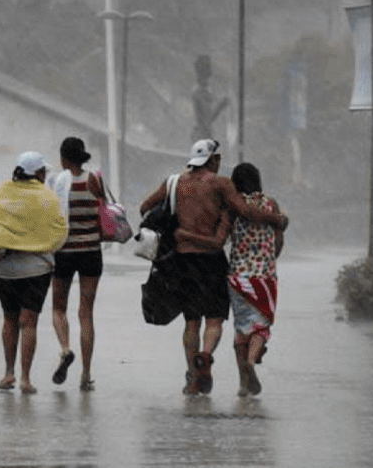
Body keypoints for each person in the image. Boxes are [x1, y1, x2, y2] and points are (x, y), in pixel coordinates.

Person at [139, 139, 288, 395]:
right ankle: (205, 356)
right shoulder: (220, 184)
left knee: (191, 322)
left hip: (182, 260)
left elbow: (144, 207)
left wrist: (175, 225)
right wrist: (277, 219)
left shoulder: (174, 182)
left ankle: (192, 376)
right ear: (214, 160)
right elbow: (245, 211)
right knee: (215, 320)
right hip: (211, 260)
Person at [0, 151, 67, 394]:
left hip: (6, 269)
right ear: (38, 173)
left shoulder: (3, 191)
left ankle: (8, 373)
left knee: (9, 320)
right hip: (37, 270)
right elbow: (60, 229)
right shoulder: (47, 197)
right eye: (43, 172)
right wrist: (42, 245)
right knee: (28, 323)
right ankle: (26, 379)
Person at [46, 136, 106, 391]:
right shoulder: (95, 179)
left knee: (59, 308)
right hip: (91, 251)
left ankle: (65, 349)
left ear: (62, 158)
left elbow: (50, 216)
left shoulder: (57, 183)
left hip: (64, 253)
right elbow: (103, 210)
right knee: (86, 313)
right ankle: (86, 373)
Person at [223, 163, 284, 397]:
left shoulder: (233, 208)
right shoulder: (272, 205)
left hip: (238, 277)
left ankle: (243, 383)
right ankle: (250, 363)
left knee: (241, 330)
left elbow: (224, 236)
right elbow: (278, 241)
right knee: (260, 325)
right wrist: (269, 259)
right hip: (265, 277)